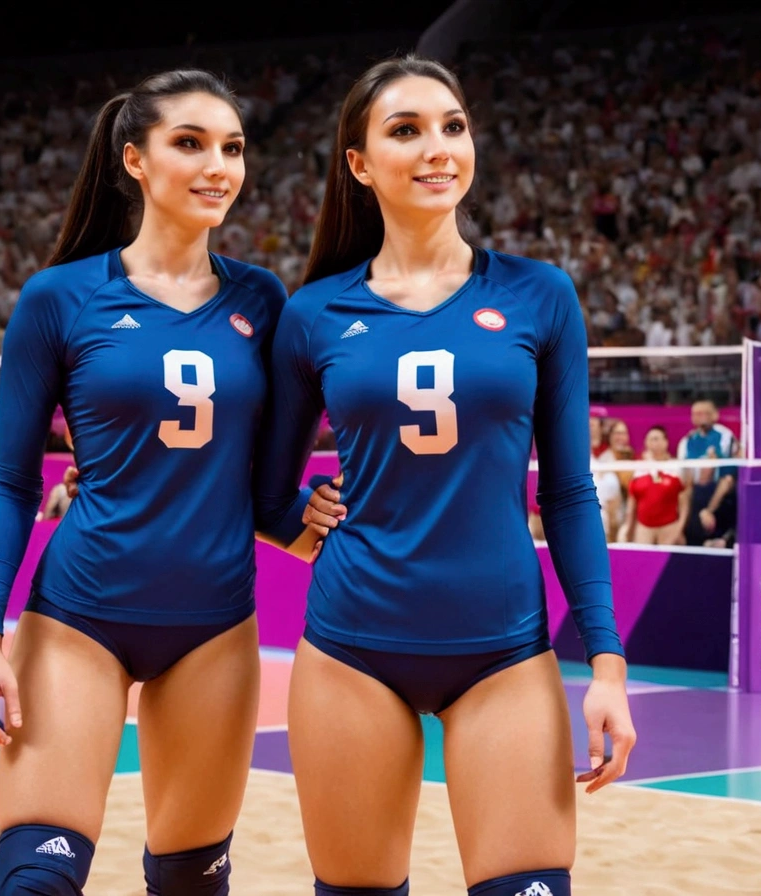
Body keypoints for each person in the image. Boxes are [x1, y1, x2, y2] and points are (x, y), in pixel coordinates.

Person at [252, 55, 634, 896]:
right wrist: (299, 528)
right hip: (353, 652)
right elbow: (264, 490)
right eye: (406, 130)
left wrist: (606, 664)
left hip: (502, 654)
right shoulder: (314, 314)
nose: (438, 148)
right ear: (359, 164)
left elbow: (568, 494)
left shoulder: (541, 296)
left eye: (453, 126)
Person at [0, 70, 324, 896]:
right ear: (135, 159)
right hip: (79, 616)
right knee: (34, 883)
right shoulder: (58, 299)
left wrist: (322, 518)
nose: (218, 165)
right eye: (189, 144)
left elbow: (263, 488)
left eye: (231, 147)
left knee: (192, 882)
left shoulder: (263, 299)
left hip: (215, 626)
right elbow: (13, 483)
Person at [676, 400, 738, 546]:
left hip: (719, 487)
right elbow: (685, 475)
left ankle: (710, 513)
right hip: (695, 489)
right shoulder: (687, 441)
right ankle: (682, 530)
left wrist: (714, 462)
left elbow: (730, 468)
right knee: (684, 491)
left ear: (714, 415)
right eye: (696, 413)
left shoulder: (725, 436)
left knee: (727, 480)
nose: (700, 416)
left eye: (704, 413)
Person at [622, 426, 689, 546]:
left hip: (669, 526)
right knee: (644, 561)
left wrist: (679, 529)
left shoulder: (675, 468)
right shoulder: (638, 470)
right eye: (650, 439)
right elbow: (632, 503)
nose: (653, 443)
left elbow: (684, 505)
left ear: (665, 442)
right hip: (644, 527)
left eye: (657, 439)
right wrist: (628, 529)